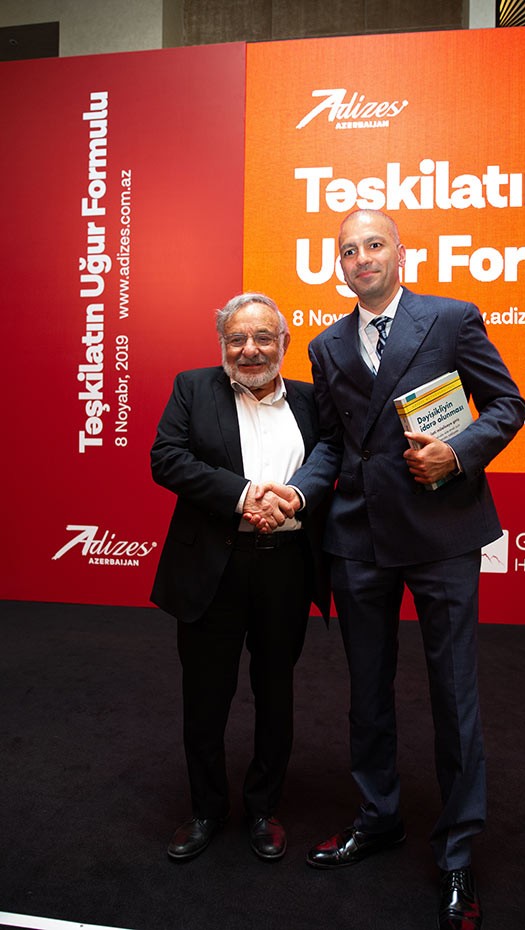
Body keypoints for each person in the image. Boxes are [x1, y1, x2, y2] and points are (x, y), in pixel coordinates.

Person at [289, 210, 525, 930]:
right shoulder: (325, 345)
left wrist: (458, 452)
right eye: (348, 250)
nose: (361, 257)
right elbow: (332, 443)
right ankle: (379, 817)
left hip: (442, 530)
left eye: (374, 245)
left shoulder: (451, 318)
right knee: (367, 692)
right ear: (338, 266)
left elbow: (508, 404)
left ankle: (457, 851)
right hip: (356, 536)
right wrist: (299, 491)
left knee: (454, 694)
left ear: (401, 254)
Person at [150, 292, 330, 863]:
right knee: (206, 695)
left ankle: (263, 808)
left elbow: (330, 456)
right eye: (236, 339)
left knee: (276, 691)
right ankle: (207, 808)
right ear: (222, 344)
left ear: (284, 343)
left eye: (263, 338)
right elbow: (167, 458)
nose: (249, 349)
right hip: (214, 566)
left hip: (286, 566)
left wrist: (293, 496)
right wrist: (245, 495)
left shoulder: (311, 399)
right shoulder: (192, 387)